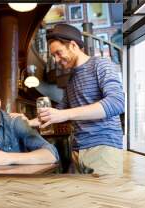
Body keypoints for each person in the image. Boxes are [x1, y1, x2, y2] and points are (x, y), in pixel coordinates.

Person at [11, 24, 124, 175]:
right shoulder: (71, 80)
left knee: (102, 198)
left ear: (73, 45)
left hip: (103, 148)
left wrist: (66, 114)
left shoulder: (101, 65)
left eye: (58, 53)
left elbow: (117, 103)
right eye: (53, 56)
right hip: (77, 150)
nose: (56, 59)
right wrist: (27, 122)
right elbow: (58, 113)